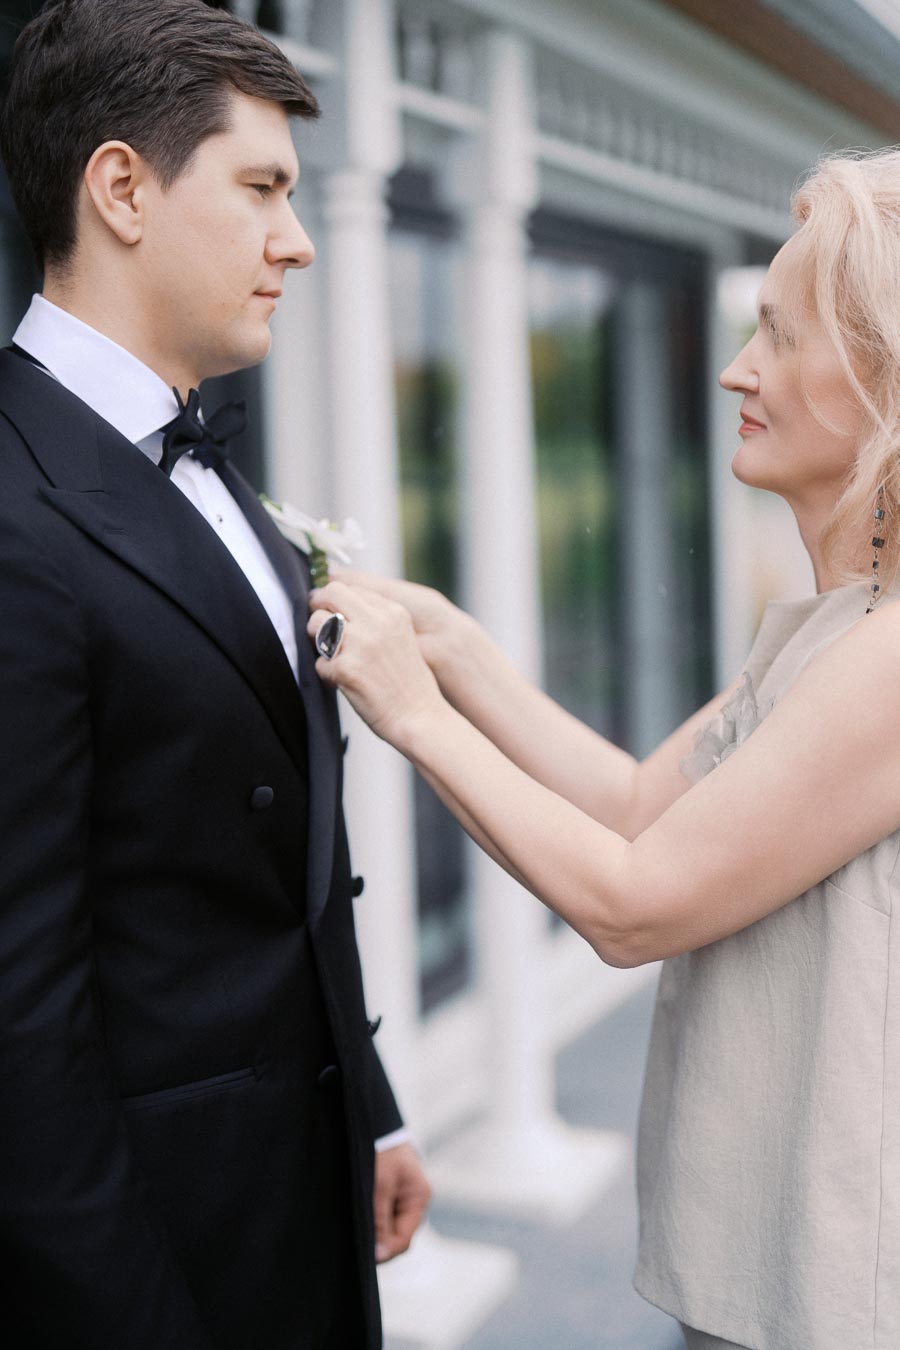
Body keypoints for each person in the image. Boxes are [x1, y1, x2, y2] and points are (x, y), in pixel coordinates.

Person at [309, 147, 900, 1349]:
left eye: (779, 336)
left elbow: (631, 907)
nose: (736, 367)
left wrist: (412, 711)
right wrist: (461, 654)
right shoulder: (838, 629)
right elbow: (639, 807)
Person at [0, 2, 429, 1347]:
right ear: (121, 187)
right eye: (261, 189)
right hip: (150, 1254)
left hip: (296, 1184)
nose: (295, 239)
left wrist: (361, 1097)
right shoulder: (13, 511)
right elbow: (18, 1012)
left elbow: (268, 860)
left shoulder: (199, 455)